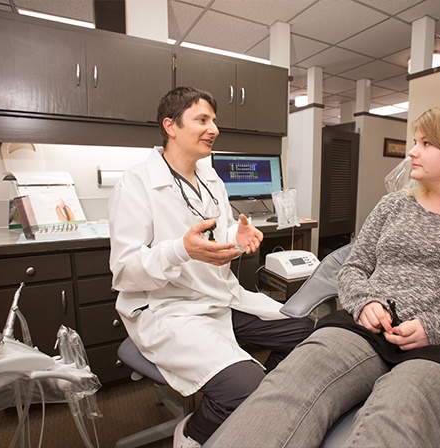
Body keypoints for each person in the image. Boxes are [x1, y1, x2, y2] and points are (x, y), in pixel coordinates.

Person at [207, 105, 440, 448]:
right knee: (290, 383)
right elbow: (354, 269)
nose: (412, 152)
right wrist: (364, 301)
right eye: (414, 141)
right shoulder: (394, 206)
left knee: (400, 407)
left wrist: (438, 329)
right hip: (369, 331)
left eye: (426, 143)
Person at [108, 86, 313, 447]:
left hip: (219, 297)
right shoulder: (136, 183)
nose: (213, 128)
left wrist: (238, 234)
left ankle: (266, 404)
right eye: (202, 120)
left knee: (306, 330)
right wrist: (180, 250)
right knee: (247, 388)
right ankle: (193, 432)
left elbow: (213, 233)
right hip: (168, 309)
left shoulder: (210, 176)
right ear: (170, 126)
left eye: (214, 120)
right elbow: (124, 271)